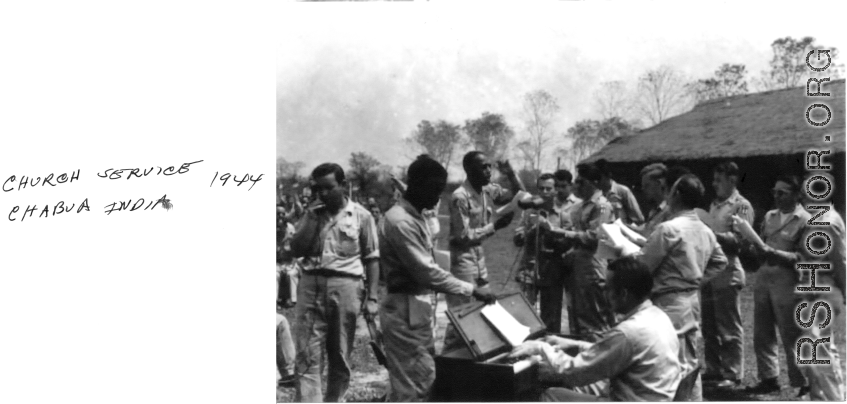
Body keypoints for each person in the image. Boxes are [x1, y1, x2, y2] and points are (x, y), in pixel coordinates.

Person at [379, 155, 497, 401]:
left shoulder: (416, 215)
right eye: (434, 190)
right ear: (417, 186)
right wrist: (472, 290)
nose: (437, 198)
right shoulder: (400, 221)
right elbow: (426, 271)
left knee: (419, 377)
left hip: (417, 309)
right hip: (404, 309)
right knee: (416, 384)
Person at [611, 174, 728, 401]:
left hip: (669, 303)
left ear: (677, 196)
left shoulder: (669, 229)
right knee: (690, 358)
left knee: (669, 360)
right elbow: (720, 261)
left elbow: (643, 265)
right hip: (691, 300)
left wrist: (622, 251)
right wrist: (694, 281)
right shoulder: (704, 229)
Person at [509, 256, 682, 401]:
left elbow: (573, 372)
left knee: (551, 395)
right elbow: (614, 353)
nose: (604, 293)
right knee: (581, 388)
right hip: (654, 396)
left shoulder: (628, 332)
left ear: (623, 294)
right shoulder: (658, 316)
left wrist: (541, 347)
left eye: (608, 288)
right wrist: (574, 344)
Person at [737, 175, 844, 399]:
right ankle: (776, 379)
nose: (776, 197)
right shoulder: (771, 217)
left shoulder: (814, 220)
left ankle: (814, 387)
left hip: (796, 284)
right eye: (774, 192)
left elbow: (815, 259)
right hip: (771, 280)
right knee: (764, 333)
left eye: (782, 193)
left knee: (799, 338)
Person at [289, 163, 381, 402]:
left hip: (346, 287)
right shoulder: (311, 215)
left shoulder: (362, 215)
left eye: (328, 188)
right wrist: (309, 216)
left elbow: (372, 259)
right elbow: (297, 249)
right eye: (317, 189)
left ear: (342, 185)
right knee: (307, 352)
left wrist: (372, 297)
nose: (322, 194)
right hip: (311, 284)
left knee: (340, 353)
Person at [443, 151, 519, 351]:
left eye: (489, 166)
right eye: (482, 167)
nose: (487, 171)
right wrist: (495, 227)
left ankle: (474, 360)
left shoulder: (488, 190)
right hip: (463, 261)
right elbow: (463, 236)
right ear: (468, 170)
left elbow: (520, 196)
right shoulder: (460, 196)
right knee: (462, 314)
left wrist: (511, 174)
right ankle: (447, 362)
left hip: (479, 259)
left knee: (484, 309)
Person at [540, 163, 615, 340]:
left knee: (595, 316)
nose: (577, 186)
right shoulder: (583, 206)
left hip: (593, 266)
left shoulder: (601, 206)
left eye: (581, 182)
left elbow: (594, 237)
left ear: (593, 183)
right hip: (579, 267)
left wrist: (563, 232)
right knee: (580, 316)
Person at [697, 162, 754, 389]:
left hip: (728, 271)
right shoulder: (714, 205)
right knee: (709, 327)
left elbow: (739, 241)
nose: (714, 184)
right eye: (713, 180)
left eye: (718, 180)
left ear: (732, 180)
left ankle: (732, 373)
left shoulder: (741, 206)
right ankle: (714, 368)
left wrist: (711, 234)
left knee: (729, 327)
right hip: (710, 271)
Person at [513, 173, 567, 332]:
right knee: (523, 314)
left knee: (551, 318)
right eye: (541, 188)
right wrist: (527, 231)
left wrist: (548, 229)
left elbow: (567, 242)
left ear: (555, 190)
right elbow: (517, 240)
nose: (544, 192)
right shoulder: (529, 211)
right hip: (529, 269)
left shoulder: (563, 213)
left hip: (552, 271)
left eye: (548, 188)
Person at [596, 158, 644, 226]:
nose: (596, 182)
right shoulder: (596, 196)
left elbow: (638, 218)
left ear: (608, 175)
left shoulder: (623, 191)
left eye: (599, 178)